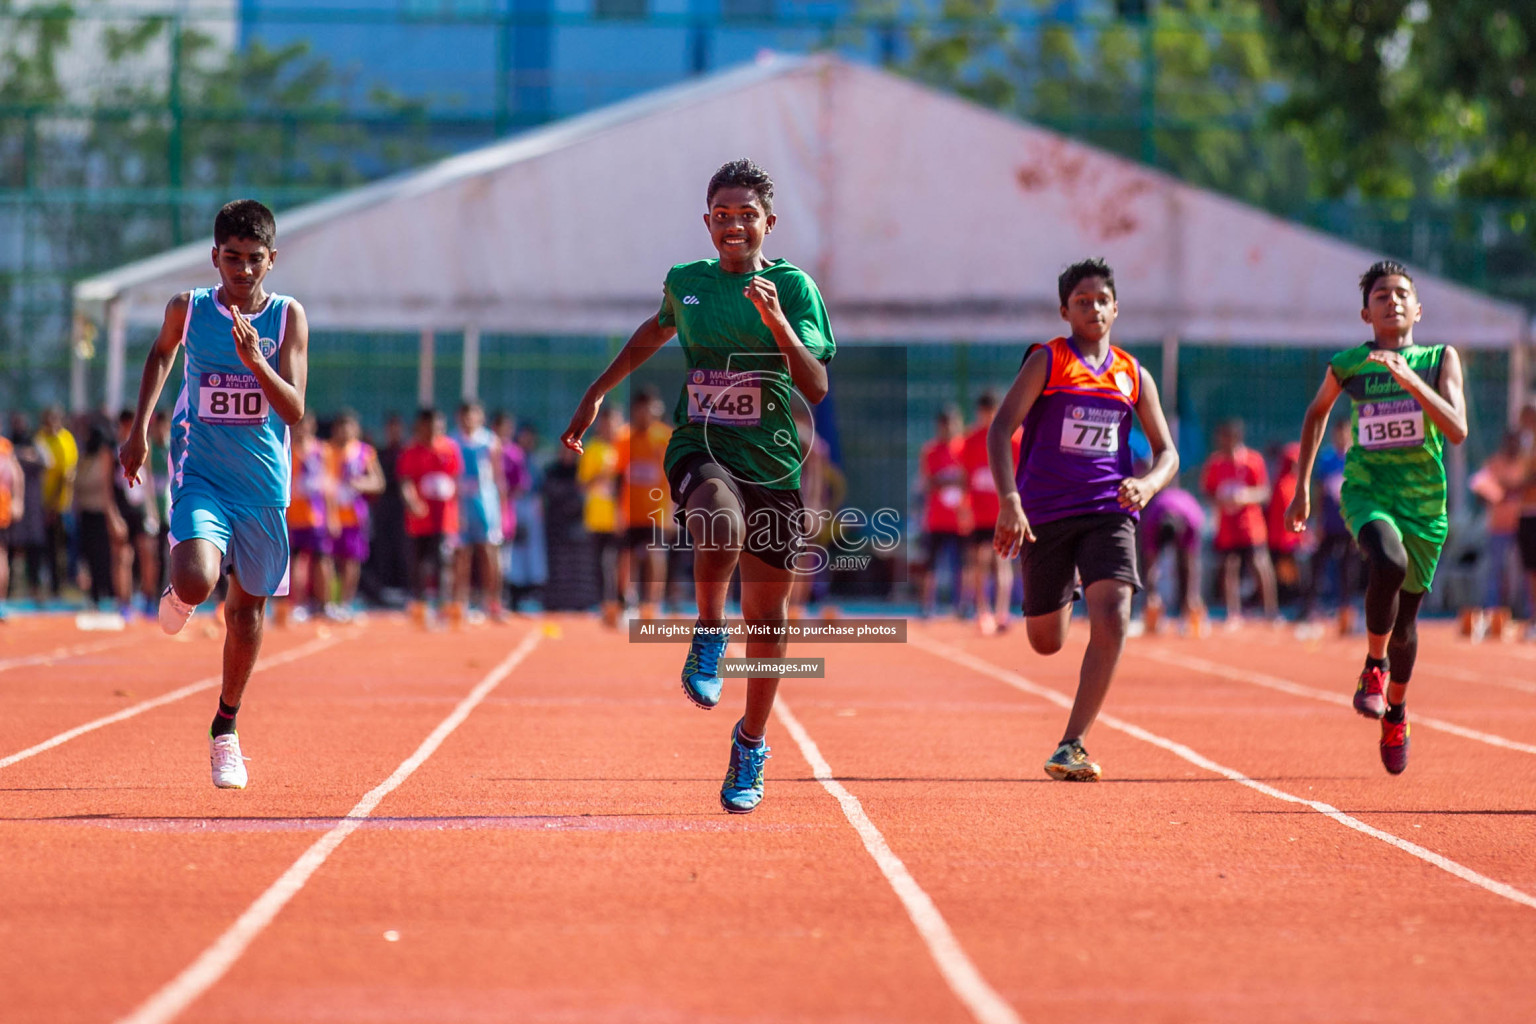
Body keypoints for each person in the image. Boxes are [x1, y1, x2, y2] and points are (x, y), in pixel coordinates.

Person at [562, 158, 835, 813]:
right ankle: (710, 630)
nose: (734, 224)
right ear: (707, 222)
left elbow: (817, 387)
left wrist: (776, 326)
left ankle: (751, 744)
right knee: (717, 517)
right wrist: (598, 393)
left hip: (771, 463)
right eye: (721, 215)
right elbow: (652, 333)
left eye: (746, 215)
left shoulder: (794, 289)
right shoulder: (687, 284)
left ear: (769, 222)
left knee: (768, 617)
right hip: (700, 445)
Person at [119, 198, 309, 790]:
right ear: (215, 257)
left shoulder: (287, 319)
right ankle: (182, 589)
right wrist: (138, 430)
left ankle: (225, 727)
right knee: (201, 579)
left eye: (254, 259)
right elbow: (160, 354)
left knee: (247, 612)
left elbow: (294, 409)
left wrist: (257, 362)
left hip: (263, 489)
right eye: (232, 258)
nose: (243, 270)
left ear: (272, 260)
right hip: (201, 474)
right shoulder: (191, 308)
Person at [990, 258, 1179, 782]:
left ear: (1116, 307)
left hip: (1109, 510)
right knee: (1045, 641)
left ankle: (1072, 742)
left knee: (1115, 611)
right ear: (1064, 310)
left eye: (1101, 300)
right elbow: (1000, 428)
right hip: (1045, 514)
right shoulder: (1047, 361)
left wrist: (1147, 484)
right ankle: (1067, 587)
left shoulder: (1133, 373)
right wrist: (1009, 498)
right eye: (1081, 301)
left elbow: (1168, 453)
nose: (1093, 308)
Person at [1286, 260, 1468, 775]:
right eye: (1381, 295)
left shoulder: (1438, 359)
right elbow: (1317, 412)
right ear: (1366, 313)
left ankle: (1398, 710)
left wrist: (1412, 381)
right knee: (1385, 561)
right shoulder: (1349, 364)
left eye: (1401, 293)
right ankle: (1373, 666)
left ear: (1417, 308)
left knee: (1407, 626)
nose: (1392, 301)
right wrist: (1301, 488)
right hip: (1368, 492)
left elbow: (1456, 429)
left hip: (1426, 506)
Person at [1202, 419, 1279, 625]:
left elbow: (1264, 492)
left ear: (1235, 437)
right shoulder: (1215, 463)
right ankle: (1233, 613)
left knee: (1259, 564)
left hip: (1250, 526)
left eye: (1225, 437)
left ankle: (1271, 612)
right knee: (1228, 567)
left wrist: (1244, 496)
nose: (1222, 442)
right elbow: (1208, 492)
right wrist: (1221, 500)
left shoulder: (1253, 460)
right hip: (1227, 527)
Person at [397, 408, 463, 627]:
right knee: (420, 563)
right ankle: (420, 606)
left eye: (437, 426)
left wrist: (458, 513)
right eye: (429, 426)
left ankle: (444, 606)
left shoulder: (449, 448)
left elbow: (456, 479)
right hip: (419, 519)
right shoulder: (411, 451)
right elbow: (405, 481)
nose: (433, 431)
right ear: (420, 427)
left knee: (444, 561)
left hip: (444, 517)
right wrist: (412, 503)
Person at [962, 391, 1020, 634]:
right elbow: (966, 477)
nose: (987, 416)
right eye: (983, 412)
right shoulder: (971, 440)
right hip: (979, 513)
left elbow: (1021, 471)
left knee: (1002, 562)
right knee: (980, 563)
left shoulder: (1013, 439)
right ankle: (983, 612)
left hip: (1002, 511)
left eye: (991, 412)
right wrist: (963, 509)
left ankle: (1002, 612)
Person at [1298, 417, 1362, 633]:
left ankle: (1346, 609)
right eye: (1338, 433)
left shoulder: (1357, 459)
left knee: (1348, 568)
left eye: (1345, 433)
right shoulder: (1326, 459)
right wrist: (1316, 520)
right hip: (1329, 523)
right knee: (1318, 565)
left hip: (1349, 524)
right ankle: (1310, 607)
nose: (1341, 437)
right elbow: (1318, 492)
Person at [617, 387, 673, 619]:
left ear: (656, 410)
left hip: (656, 510)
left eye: (648, 409)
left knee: (655, 553)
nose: (643, 414)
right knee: (626, 556)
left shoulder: (665, 436)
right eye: (639, 409)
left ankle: (653, 603)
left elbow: (672, 475)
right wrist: (617, 511)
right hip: (631, 510)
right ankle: (627, 602)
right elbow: (618, 476)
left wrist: (673, 510)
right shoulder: (624, 438)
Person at [450, 400, 507, 623]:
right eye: (464, 415)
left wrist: (502, 509)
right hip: (461, 504)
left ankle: (492, 602)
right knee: (461, 555)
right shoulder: (452, 441)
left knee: (489, 552)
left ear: (480, 417)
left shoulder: (489, 441)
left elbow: (498, 475)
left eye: (472, 415)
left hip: (486, 504)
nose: (468, 419)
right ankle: (459, 603)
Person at [328, 409, 384, 617]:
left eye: (349, 426)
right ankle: (329, 602)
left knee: (351, 561)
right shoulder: (325, 451)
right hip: (328, 515)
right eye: (341, 426)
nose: (345, 431)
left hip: (354, 516)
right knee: (328, 561)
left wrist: (360, 483)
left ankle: (345, 603)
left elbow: (378, 482)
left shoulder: (364, 452)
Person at [278, 412, 333, 624]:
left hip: (316, 516)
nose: (302, 429)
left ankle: (324, 604)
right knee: (296, 562)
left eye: (306, 425)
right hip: (293, 515)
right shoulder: (287, 448)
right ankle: (297, 604)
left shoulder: (322, 450)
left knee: (322, 560)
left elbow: (328, 485)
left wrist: (331, 515)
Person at [918, 406, 969, 618]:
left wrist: (947, 480)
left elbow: (969, 480)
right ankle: (928, 606)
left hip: (960, 519)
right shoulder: (930, 451)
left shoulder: (965, 449)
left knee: (963, 566)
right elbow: (928, 483)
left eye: (952, 423)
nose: (948, 428)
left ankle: (963, 606)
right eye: (944, 423)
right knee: (931, 566)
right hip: (936, 519)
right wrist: (948, 480)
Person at [1139, 481, 1206, 636]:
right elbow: (1150, 562)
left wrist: (1192, 595)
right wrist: (1151, 595)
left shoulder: (1191, 521)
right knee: (1149, 567)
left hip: (1188, 517)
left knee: (1185, 566)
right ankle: (1152, 606)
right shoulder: (1151, 522)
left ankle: (1189, 607)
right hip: (1159, 517)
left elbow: (1191, 564)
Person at [578, 405, 624, 626]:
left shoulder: (625, 446)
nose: (609, 427)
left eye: (613, 422)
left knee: (622, 563)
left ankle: (624, 603)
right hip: (598, 517)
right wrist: (600, 477)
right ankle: (606, 605)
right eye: (605, 423)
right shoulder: (593, 448)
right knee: (601, 564)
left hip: (623, 517)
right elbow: (583, 484)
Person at [112, 410, 160, 618]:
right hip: (122, 507)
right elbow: (107, 485)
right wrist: (112, 515)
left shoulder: (144, 446)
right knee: (123, 556)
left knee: (148, 552)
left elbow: (148, 480)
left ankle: (148, 598)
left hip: (141, 506)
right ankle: (124, 602)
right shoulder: (112, 449)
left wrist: (153, 511)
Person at [75, 420, 124, 610]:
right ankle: (94, 594)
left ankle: (108, 593)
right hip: (87, 514)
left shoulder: (104, 459)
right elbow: (78, 484)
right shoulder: (84, 459)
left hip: (101, 513)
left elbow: (106, 488)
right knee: (90, 556)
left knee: (104, 555)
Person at [36, 406, 78, 598]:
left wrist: (53, 505)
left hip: (60, 505)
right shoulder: (40, 439)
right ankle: (46, 586)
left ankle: (60, 587)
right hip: (40, 503)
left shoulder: (65, 440)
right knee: (43, 547)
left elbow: (66, 475)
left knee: (60, 546)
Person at [0, 423, 23, 620]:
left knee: (1, 555)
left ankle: (1, 603)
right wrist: (18, 501)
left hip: (2, 509)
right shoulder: (5, 447)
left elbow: (17, 476)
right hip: (4, 507)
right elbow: (18, 476)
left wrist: (18, 500)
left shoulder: (5, 448)